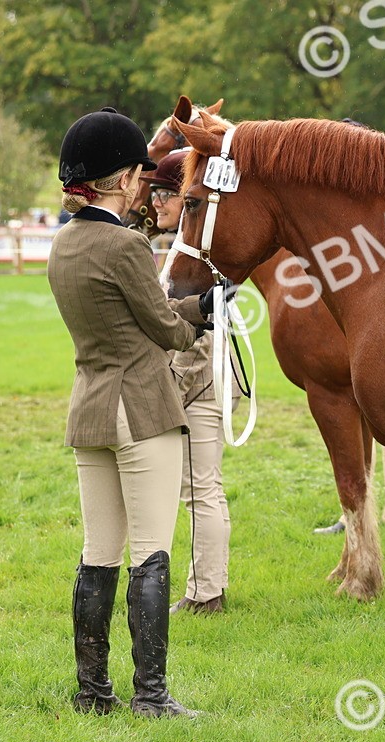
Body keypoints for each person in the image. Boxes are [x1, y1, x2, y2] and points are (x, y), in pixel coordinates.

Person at [48, 107, 225, 718]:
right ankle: (151, 696)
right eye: (135, 176)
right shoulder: (123, 244)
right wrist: (208, 306)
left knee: (99, 553)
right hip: (140, 410)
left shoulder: (64, 244)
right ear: (121, 179)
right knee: (151, 552)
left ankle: (93, 692)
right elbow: (166, 329)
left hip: (89, 410)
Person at [143, 149, 240, 614]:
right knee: (201, 485)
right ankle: (207, 587)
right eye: (156, 192)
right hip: (203, 374)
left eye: (166, 194)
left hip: (199, 377)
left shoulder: (196, 252)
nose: (156, 202)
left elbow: (193, 331)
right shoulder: (183, 248)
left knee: (200, 486)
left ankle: (206, 593)